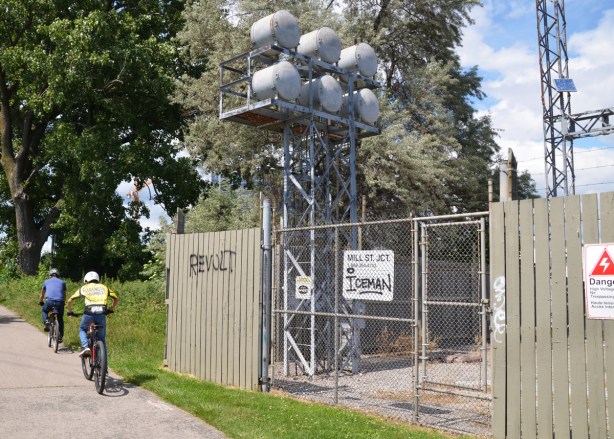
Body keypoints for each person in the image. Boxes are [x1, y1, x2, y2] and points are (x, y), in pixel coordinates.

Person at [67, 271, 119, 358]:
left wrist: (69, 311)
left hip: (88, 313)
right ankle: (104, 369)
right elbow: (116, 299)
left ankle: (85, 347)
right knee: (101, 339)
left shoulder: (84, 287)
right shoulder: (104, 287)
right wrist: (110, 309)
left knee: (83, 329)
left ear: (86, 280)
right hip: (101, 313)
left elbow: (69, 300)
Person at [38, 268, 67, 342]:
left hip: (49, 302)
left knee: (44, 311)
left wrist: (41, 301)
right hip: (60, 302)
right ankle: (60, 336)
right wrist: (63, 302)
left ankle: (46, 321)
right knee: (60, 319)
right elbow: (64, 295)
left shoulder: (46, 281)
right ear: (58, 275)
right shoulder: (63, 282)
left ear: (50, 275)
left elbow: (42, 294)